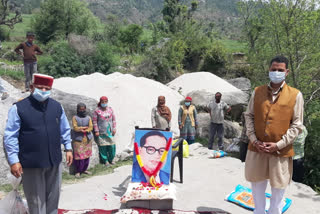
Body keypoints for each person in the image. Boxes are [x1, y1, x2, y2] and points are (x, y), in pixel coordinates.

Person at [4, 73, 73, 214]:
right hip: (31, 163)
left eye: (47, 88)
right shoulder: (19, 108)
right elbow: (10, 136)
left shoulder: (56, 107)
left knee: (53, 198)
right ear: (31, 87)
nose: (43, 91)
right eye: (40, 87)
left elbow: (65, 129)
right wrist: (13, 160)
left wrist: (68, 148)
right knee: (36, 202)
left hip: (54, 160)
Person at [244, 56, 304, 214]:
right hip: (257, 148)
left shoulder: (295, 95)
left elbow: (297, 124)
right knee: (257, 187)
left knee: (278, 190)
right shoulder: (257, 92)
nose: (276, 72)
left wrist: (279, 144)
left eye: (280, 70)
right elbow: (248, 115)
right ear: (269, 70)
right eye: (273, 69)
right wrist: (254, 139)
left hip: (280, 151)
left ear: (287, 72)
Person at [93, 96, 116, 166]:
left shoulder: (110, 109)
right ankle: (105, 161)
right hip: (101, 132)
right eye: (103, 102)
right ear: (100, 102)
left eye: (105, 102)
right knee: (103, 147)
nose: (104, 103)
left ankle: (111, 159)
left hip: (110, 131)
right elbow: (94, 121)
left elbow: (114, 120)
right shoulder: (97, 111)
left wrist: (114, 128)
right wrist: (96, 130)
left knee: (112, 146)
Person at [72, 103, 93, 178]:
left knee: (87, 155)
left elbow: (91, 127)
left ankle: (84, 169)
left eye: (83, 109)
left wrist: (85, 129)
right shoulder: (75, 117)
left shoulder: (88, 118)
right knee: (78, 156)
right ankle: (78, 171)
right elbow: (75, 127)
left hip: (87, 139)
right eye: (80, 109)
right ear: (78, 109)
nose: (82, 110)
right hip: (78, 140)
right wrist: (82, 128)